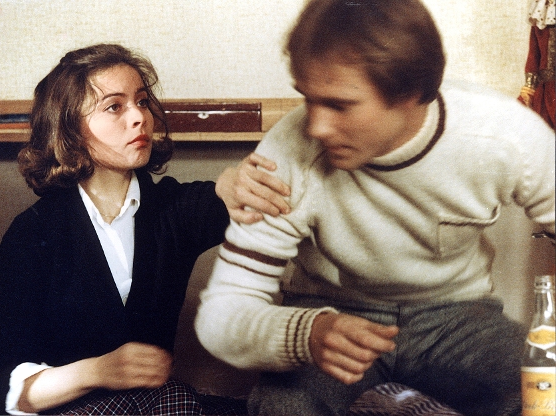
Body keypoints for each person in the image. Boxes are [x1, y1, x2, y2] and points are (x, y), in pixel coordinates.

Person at [195, 1, 556, 415]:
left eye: (339, 105)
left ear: (411, 94)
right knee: (284, 406)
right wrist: (305, 332)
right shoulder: (287, 151)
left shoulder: (505, 136)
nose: (316, 127)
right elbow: (220, 315)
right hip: (328, 309)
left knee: (543, 387)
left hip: (459, 317)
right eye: (308, 99)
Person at [0, 43, 289, 415]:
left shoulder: (171, 209)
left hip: (155, 403)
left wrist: (232, 181)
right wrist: (96, 371)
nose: (139, 117)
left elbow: (222, 196)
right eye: (114, 107)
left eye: (142, 101)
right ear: (70, 128)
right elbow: (2, 388)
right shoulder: (31, 234)